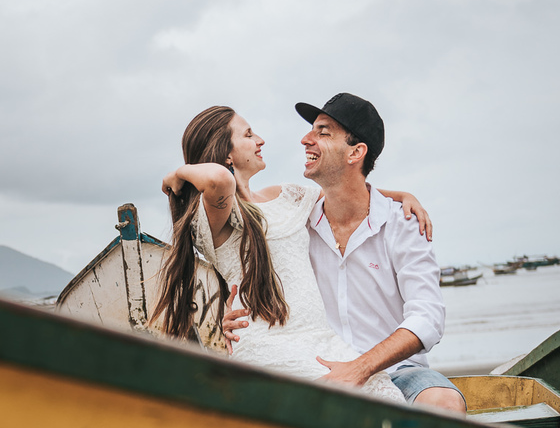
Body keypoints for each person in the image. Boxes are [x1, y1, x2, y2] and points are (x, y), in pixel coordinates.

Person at [155, 105, 426, 403]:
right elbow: (219, 179)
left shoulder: (285, 195)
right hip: (268, 344)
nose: (260, 140)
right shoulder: (216, 213)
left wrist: (402, 196)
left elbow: (349, 193)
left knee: (388, 398)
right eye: (248, 134)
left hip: (321, 339)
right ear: (226, 153)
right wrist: (180, 172)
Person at [223, 94, 465, 412]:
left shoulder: (402, 222)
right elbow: (245, 269)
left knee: (446, 402)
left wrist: (359, 368)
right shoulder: (296, 220)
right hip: (314, 369)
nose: (305, 139)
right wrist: (230, 316)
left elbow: (428, 318)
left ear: (356, 152)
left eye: (323, 132)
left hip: (397, 373)